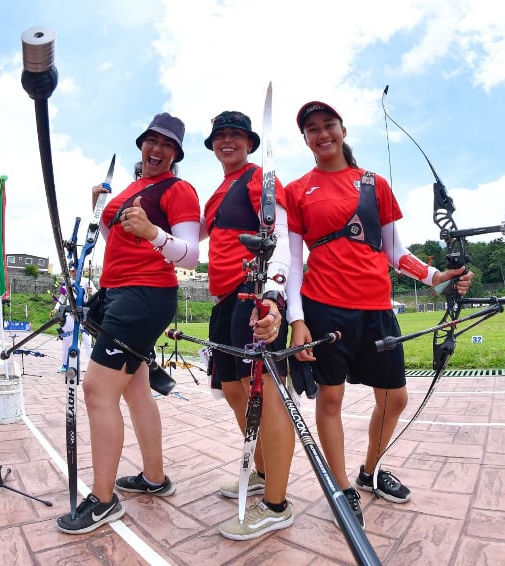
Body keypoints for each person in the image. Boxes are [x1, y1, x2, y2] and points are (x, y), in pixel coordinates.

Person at [285, 101, 474, 528]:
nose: (321, 134)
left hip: (375, 307)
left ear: (343, 129)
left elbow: (395, 251)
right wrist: (297, 320)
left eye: (328, 125)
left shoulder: (373, 184)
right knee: (330, 400)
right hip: (324, 307)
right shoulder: (297, 189)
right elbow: (294, 262)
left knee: (394, 398)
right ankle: (341, 486)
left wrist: (437, 279)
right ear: (306, 139)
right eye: (311, 129)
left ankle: (369, 471)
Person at [55, 112, 201, 534]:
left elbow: (190, 254)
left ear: (176, 153)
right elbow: (118, 241)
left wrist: (155, 232)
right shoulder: (133, 189)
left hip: (145, 295)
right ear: (142, 144)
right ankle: (154, 478)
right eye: (151, 141)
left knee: (98, 389)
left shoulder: (179, 190)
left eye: (167, 144)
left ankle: (103, 501)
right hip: (117, 292)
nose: (157, 149)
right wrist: (100, 213)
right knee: (135, 388)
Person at [199, 110, 294, 540]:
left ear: (251, 143)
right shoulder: (219, 192)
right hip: (222, 300)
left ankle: (277, 503)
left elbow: (282, 238)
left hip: (251, 291)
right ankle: (259, 471)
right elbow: (187, 242)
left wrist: (273, 298)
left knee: (267, 395)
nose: (227, 141)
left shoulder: (260, 179)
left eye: (236, 135)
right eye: (220, 136)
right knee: (235, 390)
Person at [50, 266, 96, 372]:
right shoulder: (67, 282)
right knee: (67, 341)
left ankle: (92, 367)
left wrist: (91, 291)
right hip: (70, 314)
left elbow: (95, 293)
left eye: (74, 271)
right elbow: (61, 298)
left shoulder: (86, 281)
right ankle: (65, 365)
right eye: (71, 271)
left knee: (87, 342)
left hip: (83, 314)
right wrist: (56, 309)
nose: (73, 273)